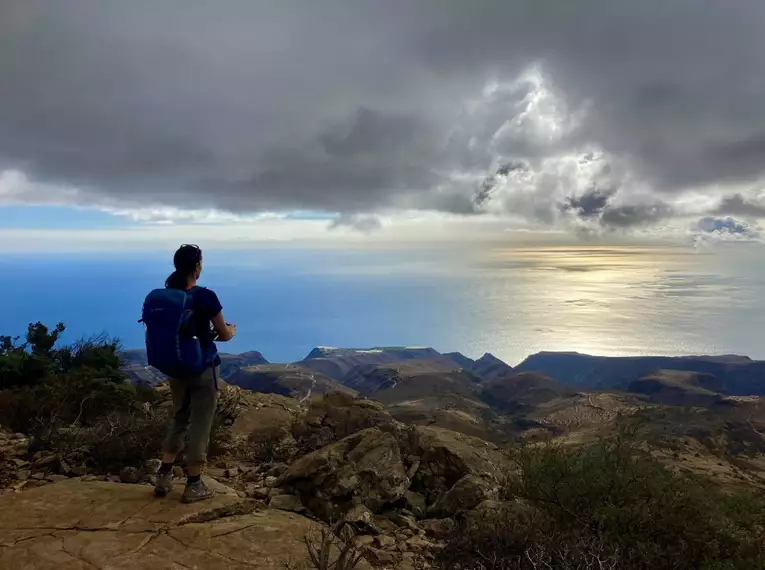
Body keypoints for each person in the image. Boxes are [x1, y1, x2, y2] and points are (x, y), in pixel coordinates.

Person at [153, 244, 236, 502]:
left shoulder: (167, 296)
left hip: (176, 368)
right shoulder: (205, 296)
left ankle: (163, 475)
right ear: (197, 266)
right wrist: (229, 332)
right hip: (203, 368)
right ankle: (194, 484)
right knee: (200, 424)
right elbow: (222, 333)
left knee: (179, 417)